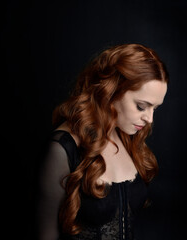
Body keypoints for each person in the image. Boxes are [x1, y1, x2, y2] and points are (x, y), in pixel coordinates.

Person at [34, 43, 169, 240]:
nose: (149, 119)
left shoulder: (127, 137)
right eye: (141, 106)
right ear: (113, 90)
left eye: (155, 108)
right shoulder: (63, 148)